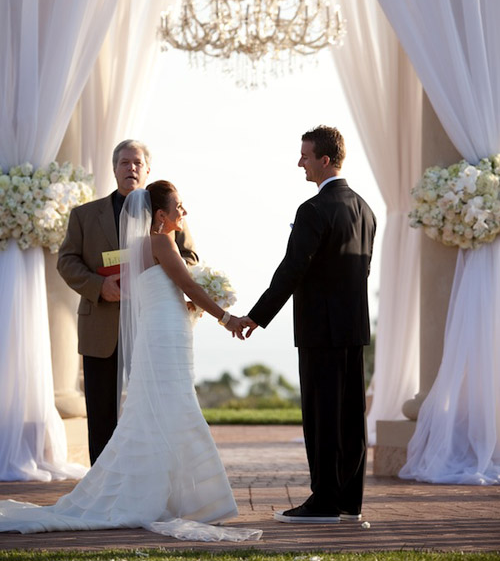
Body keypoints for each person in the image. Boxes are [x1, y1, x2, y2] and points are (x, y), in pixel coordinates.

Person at [0, 182, 261, 542]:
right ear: (160, 216)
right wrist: (226, 317)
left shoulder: (137, 246)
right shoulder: (161, 242)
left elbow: (161, 289)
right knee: (176, 407)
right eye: (179, 207)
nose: (184, 213)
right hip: (165, 337)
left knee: (161, 410)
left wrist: (187, 306)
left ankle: (174, 496)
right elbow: (189, 285)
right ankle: (197, 500)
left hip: (161, 331)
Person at [237, 126, 376, 524]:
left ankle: (324, 502)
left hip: (320, 329)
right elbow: (362, 271)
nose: (300, 162)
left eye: (305, 155)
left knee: (321, 415)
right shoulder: (365, 208)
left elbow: (291, 271)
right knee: (350, 417)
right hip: (354, 329)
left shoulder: (312, 210)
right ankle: (349, 499)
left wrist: (256, 315)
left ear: (325, 160)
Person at [57, 140, 198, 464]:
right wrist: (99, 285)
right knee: (101, 410)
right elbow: (67, 261)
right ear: (114, 168)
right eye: (124, 162)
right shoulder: (84, 215)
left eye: (137, 163)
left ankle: (146, 474)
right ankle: (101, 482)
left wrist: (156, 277)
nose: (131, 168)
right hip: (100, 322)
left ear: (147, 170)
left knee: (151, 405)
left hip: (151, 324)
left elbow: (189, 257)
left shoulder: (169, 212)